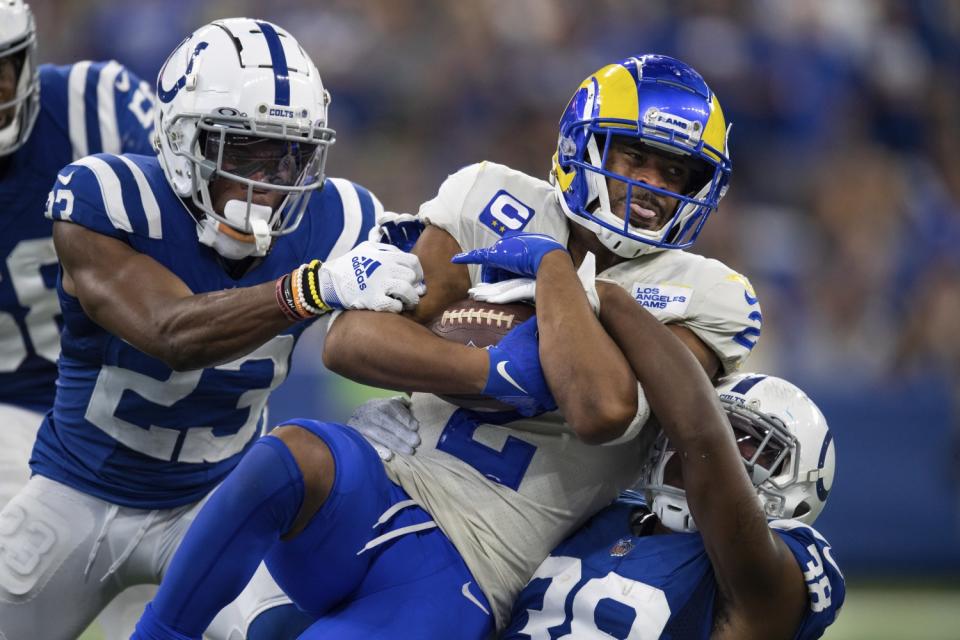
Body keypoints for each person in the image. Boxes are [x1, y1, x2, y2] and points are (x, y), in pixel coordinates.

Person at [130, 54, 763, 639]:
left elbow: (601, 409)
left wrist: (555, 275)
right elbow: (349, 340)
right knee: (286, 455)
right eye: (637, 159)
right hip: (388, 481)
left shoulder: (708, 294)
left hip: (478, 559)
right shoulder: (491, 194)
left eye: (677, 171)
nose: (655, 185)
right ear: (584, 145)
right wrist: (488, 372)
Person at [0, 17, 424, 640]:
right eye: (246, 148)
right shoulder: (106, 198)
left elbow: (436, 283)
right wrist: (314, 288)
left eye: (293, 153)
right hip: (78, 494)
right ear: (182, 140)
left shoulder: (342, 216)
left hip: (222, 498)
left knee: (281, 631)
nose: (273, 180)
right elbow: (169, 332)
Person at [0, 5, 157, 636]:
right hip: (14, 414)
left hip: (128, 406)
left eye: (3, 70)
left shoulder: (97, 106)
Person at [503, 371, 843, 637]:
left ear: (801, 483)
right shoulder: (603, 514)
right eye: (721, 430)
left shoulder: (776, 571)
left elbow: (703, 437)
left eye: (748, 442)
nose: (693, 454)